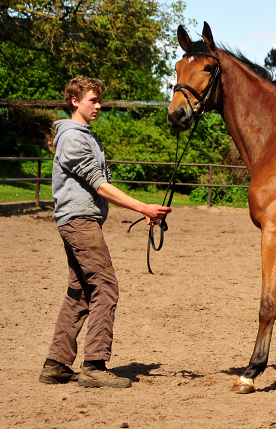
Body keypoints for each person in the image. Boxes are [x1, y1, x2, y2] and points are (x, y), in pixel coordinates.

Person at [39, 76, 171, 388]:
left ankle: (57, 363)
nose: (98, 106)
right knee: (106, 287)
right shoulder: (74, 140)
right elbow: (99, 185)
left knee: (80, 291)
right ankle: (95, 365)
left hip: (80, 220)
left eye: (99, 101)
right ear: (75, 101)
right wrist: (143, 208)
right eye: (92, 100)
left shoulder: (83, 136)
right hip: (80, 222)